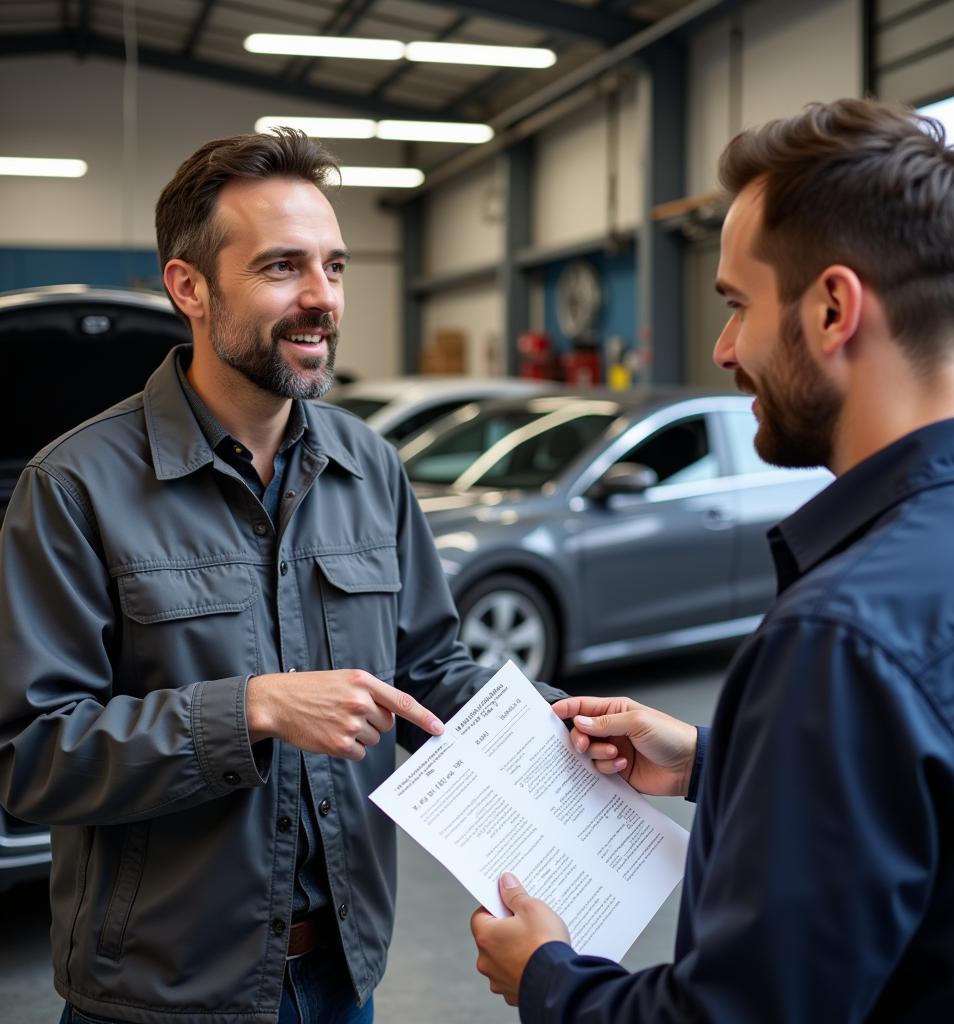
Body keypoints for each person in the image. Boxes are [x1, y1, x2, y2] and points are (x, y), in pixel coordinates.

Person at [471, 97, 954, 1022]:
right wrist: (711, 764)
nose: (725, 349)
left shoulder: (846, 635)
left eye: (736, 306)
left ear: (834, 308)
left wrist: (550, 980)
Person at [0, 128, 563, 1024]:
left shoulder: (369, 468)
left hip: (342, 977)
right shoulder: (75, 488)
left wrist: (555, 733)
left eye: (335, 267)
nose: (321, 299)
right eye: (282, 268)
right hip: (162, 997)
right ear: (190, 287)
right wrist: (252, 708)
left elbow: (428, 673)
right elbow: (31, 757)